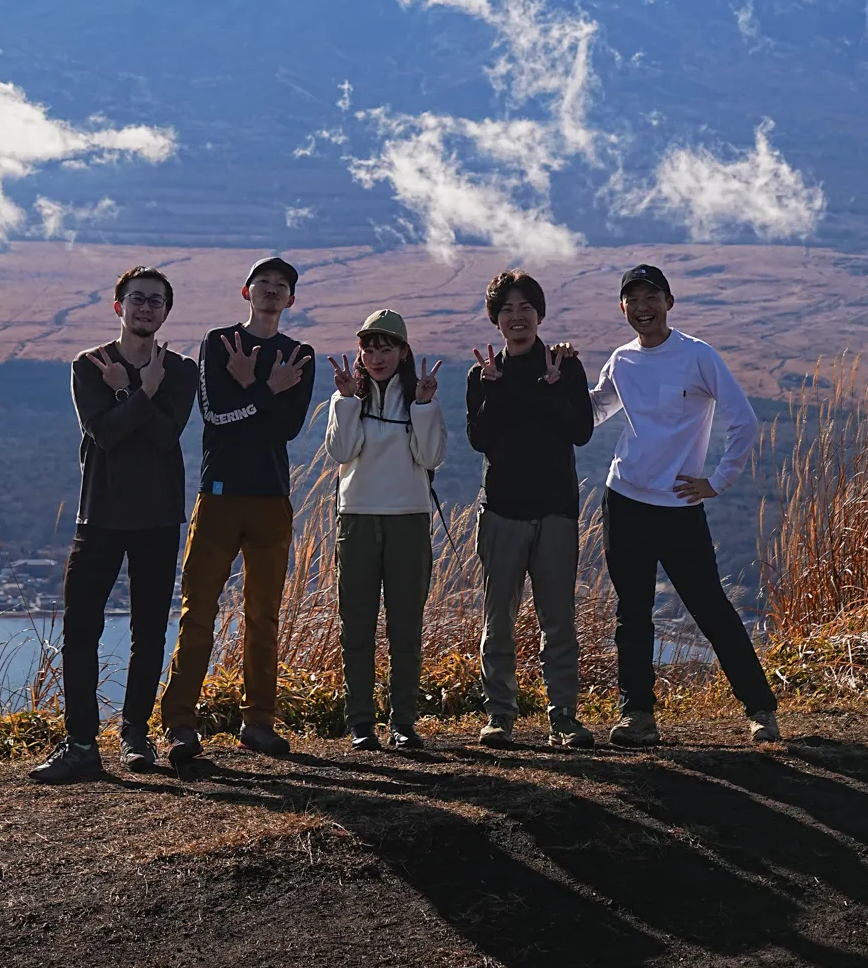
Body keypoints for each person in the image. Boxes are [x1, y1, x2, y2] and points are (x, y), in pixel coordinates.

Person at [591, 264, 781, 747]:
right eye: (632, 299)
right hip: (625, 500)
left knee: (710, 607)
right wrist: (556, 384)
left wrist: (716, 481)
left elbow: (745, 422)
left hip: (678, 507)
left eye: (651, 296)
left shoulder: (698, 357)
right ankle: (637, 717)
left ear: (669, 302)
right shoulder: (621, 359)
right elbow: (595, 411)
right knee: (632, 612)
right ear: (622, 308)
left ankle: (760, 710)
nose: (642, 307)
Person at [30, 264, 199, 784]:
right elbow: (104, 435)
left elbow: (167, 435)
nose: (146, 307)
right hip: (99, 515)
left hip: (158, 516)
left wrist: (133, 392)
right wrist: (140, 393)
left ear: (167, 311)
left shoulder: (183, 370)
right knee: (81, 629)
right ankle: (81, 745)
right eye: (137, 299)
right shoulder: (90, 364)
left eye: (156, 301)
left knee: (149, 632)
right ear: (117, 305)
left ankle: (134, 736)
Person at [159, 255, 316, 768]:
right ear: (245, 292)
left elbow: (288, 430)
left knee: (263, 616)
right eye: (263, 282)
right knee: (198, 609)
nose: (272, 290)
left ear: (291, 299)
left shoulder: (301, 355)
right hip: (220, 494)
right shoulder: (219, 342)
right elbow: (215, 415)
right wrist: (267, 390)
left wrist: (251, 388)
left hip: (271, 497)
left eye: (281, 285)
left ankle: (259, 722)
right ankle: (180, 723)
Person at [466, 268, 596, 749]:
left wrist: (556, 385)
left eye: (525, 308)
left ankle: (563, 717)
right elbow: (482, 440)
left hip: (556, 512)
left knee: (558, 620)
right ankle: (500, 716)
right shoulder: (482, 374)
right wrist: (494, 388)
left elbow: (579, 431)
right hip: (502, 511)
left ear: (540, 314)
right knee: (497, 620)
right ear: (495, 320)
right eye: (506, 310)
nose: (517, 317)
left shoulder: (565, 366)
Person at [325, 308, 447, 753]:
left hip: (409, 519)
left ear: (403, 351)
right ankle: (361, 724)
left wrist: (425, 404)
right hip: (356, 517)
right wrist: (345, 401)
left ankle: (403, 725)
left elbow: (431, 457)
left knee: (405, 628)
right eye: (369, 348)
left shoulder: (418, 396)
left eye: (386, 348)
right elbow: (341, 452)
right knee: (355, 627)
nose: (377, 357)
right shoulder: (348, 395)